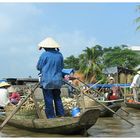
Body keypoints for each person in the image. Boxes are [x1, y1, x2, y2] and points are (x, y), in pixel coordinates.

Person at [36, 37, 65, 119]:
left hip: (47, 81)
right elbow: (62, 66)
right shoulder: (60, 55)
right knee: (57, 98)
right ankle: (61, 115)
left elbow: (39, 67)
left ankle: (51, 117)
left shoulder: (44, 55)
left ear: (45, 47)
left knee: (48, 100)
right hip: (57, 81)